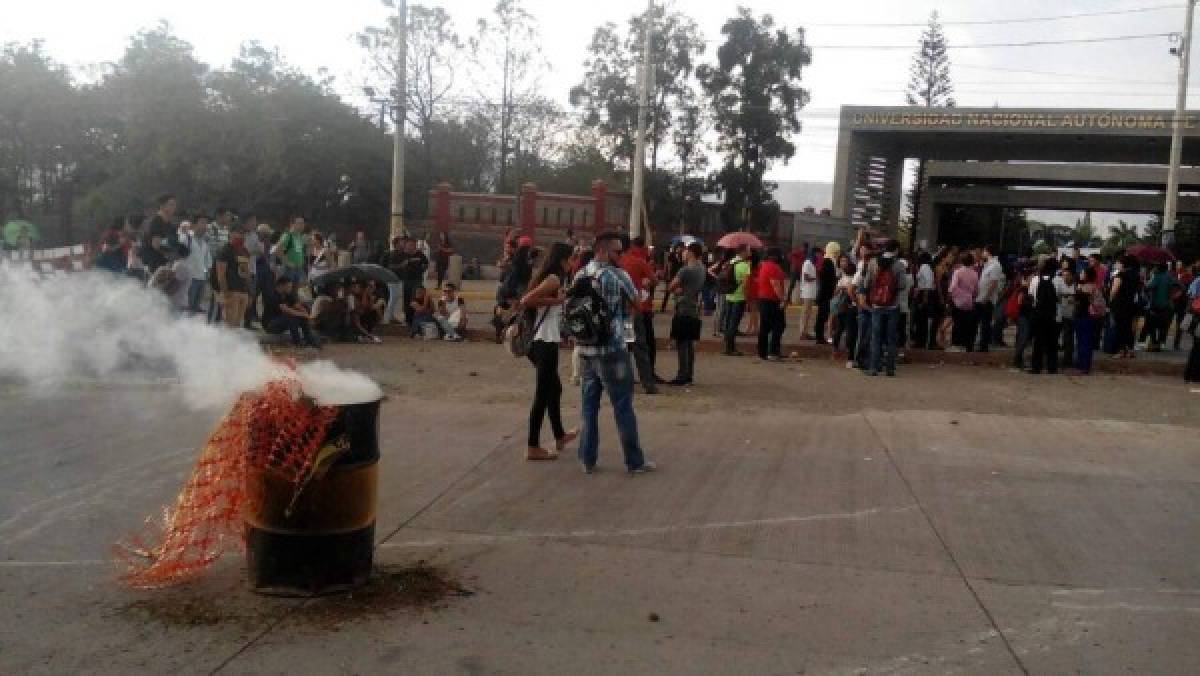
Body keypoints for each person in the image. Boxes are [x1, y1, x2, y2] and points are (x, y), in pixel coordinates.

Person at [576, 232, 655, 475]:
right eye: (618, 252)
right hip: (612, 348)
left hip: (587, 349)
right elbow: (637, 303)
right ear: (603, 250)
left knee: (589, 407)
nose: (621, 256)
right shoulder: (617, 276)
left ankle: (587, 459)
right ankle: (634, 461)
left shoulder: (581, 274)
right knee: (623, 406)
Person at [518, 242, 578, 461]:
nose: (573, 263)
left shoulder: (555, 278)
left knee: (555, 389)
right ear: (564, 259)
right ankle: (532, 446)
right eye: (572, 258)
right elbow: (527, 300)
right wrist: (557, 300)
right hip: (543, 341)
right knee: (543, 393)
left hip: (546, 339)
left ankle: (559, 435)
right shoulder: (553, 279)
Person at [619, 236, 660, 393]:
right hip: (635, 309)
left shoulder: (618, 263)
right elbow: (655, 281)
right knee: (640, 347)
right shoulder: (639, 261)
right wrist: (645, 281)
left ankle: (624, 380)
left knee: (624, 347)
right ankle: (648, 383)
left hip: (619, 310)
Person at [860, 239, 906, 377]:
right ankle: (890, 369)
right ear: (896, 250)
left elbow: (867, 283)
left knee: (876, 336)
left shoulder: (873, 262)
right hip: (893, 305)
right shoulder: (899, 265)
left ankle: (873, 367)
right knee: (891, 337)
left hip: (876, 305)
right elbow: (902, 285)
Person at [667, 241, 705, 385]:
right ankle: (689, 374)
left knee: (682, 343)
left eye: (684, 251)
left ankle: (682, 375)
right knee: (689, 343)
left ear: (690, 253)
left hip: (683, 307)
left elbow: (671, 286)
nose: (682, 253)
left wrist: (677, 289)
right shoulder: (702, 268)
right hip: (694, 308)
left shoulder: (685, 270)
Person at [263, 276, 320, 348]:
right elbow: (286, 310)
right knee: (292, 317)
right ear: (281, 286)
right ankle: (297, 342)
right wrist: (303, 315)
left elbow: (298, 306)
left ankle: (309, 338)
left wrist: (306, 315)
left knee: (302, 312)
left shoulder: (287, 294)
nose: (290, 288)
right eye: (288, 286)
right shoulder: (272, 295)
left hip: (282, 321)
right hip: (270, 324)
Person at [214, 225, 252, 330]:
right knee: (229, 324)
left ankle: (234, 345)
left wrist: (249, 292)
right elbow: (220, 274)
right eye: (239, 232)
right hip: (231, 290)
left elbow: (247, 272)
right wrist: (225, 293)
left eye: (243, 233)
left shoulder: (245, 251)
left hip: (243, 290)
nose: (242, 235)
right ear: (231, 234)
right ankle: (225, 344)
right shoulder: (225, 250)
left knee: (237, 324)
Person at [755, 247, 788, 361]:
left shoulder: (764, 266)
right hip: (771, 300)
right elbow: (775, 285)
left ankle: (762, 352)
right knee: (778, 325)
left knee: (765, 326)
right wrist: (783, 299)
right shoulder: (772, 267)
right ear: (775, 256)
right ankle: (773, 352)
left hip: (764, 299)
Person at [1029, 258, 1061, 374]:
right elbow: (1060, 297)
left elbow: (1031, 295)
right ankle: (1052, 367)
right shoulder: (1058, 280)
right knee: (1052, 342)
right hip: (1052, 315)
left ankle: (1036, 366)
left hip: (1038, 313)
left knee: (1038, 341)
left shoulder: (1035, 279)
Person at [721, 244, 753, 356]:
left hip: (729, 295)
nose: (750, 253)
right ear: (743, 252)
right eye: (749, 250)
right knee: (734, 323)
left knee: (728, 321)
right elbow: (746, 285)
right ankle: (730, 348)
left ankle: (726, 346)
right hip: (739, 297)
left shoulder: (731, 262)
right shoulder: (745, 266)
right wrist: (748, 300)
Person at [1109, 255, 1141, 359]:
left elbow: (1114, 290)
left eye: (1117, 263)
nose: (1116, 265)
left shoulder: (1120, 275)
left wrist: (1109, 300)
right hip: (1131, 304)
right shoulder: (1135, 275)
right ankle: (1130, 350)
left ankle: (1121, 350)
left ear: (1122, 264)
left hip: (1120, 304)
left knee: (1120, 328)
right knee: (1128, 328)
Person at [946, 252, 979, 352]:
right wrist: (971, 296)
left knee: (957, 323)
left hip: (958, 301)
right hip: (969, 301)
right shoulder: (975, 273)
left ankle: (956, 344)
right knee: (966, 324)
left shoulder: (958, 272)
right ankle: (965, 344)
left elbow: (952, 287)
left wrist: (951, 297)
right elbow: (976, 290)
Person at [1073, 267, 1102, 374]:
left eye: (1082, 272)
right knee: (1085, 341)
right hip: (1088, 316)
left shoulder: (1085, 287)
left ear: (1087, 275)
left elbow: (1078, 301)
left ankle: (1083, 365)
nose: (1080, 274)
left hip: (1083, 315)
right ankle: (1084, 364)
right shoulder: (1094, 287)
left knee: (1082, 341)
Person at [975, 245, 1003, 352]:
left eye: (984, 251)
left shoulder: (995, 265)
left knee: (985, 323)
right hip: (981, 298)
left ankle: (984, 346)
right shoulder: (988, 264)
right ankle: (981, 344)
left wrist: (986, 298)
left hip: (987, 299)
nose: (982, 253)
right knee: (981, 322)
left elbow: (994, 283)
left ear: (988, 252)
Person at [400, 237, 430, 327]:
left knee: (416, 299)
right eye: (409, 244)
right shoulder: (402, 255)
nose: (411, 246)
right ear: (406, 245)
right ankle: (407, 319)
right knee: (407, 300)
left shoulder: (420, 254)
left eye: (413, 245)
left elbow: (425, 265)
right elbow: (400, 265)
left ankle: (416, 319)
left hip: (417, 280)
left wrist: (422, 268)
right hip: (406, 280)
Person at [1143, 262, 1173, 352]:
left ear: (1158, 268)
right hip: (1167, 305)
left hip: (1156, 306)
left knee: (1152, 325)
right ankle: (1159, 344)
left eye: (1155, 267)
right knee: (1163, 326)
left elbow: (1148, 287)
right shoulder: (1169, 277)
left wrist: (1146, 282)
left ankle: (1154, 343)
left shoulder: (1157, 277)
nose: (1154, 268)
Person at [815, 242, 840, 344]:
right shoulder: (828, 262)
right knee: (822, 316)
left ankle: (819, 335)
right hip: (825, 293)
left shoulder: (827, 261)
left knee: (823, 315)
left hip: (824, 293)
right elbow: (828, 278)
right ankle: (819, 336)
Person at [379, 236, 407, 324]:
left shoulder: (402, 253)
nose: (403, 243)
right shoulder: (393, 254)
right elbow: (391, 266)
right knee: (393, 297)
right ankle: (386, 318)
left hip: (398, 278)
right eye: (401, 242)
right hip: (392, 278)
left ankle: (391, 316)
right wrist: (401, 265)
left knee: (396, 297)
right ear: (397, 244)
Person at [272, 216, 308, 285]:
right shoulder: (287, 235)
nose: (302, 226)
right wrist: (287, 262)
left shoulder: (299, 236)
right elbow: (277, 250)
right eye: (299, 223)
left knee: (294, 292)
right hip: (289, 269)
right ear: (292, 224)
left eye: (303, 223)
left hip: (298, 268)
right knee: (288, 291)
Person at [1054, 268, 1078, 367]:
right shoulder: (1059, 284)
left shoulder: (1075, 285)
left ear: (1072, 276)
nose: (1065, 277)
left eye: (1067, 275)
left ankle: (1068, 360)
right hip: (1060, 314)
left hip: (1071, 314)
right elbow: (1057, 297)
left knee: (1069, 339)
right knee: (1057, 337)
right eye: (1064, 275)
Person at [798, 251, 818, 339]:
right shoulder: (807, 263)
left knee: (808, 313)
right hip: (807, 292)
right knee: (805, 313)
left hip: (810, 292)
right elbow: (806, 277)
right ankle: (803, 332)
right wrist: (815, 278)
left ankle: (805, 332)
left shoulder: (811, 263)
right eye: (818, 254)